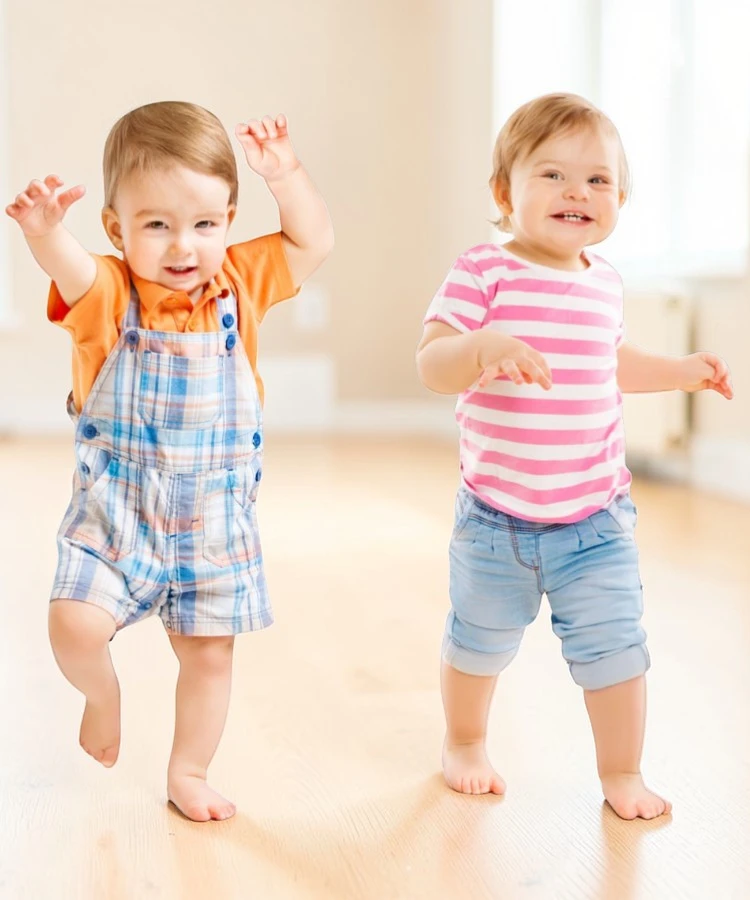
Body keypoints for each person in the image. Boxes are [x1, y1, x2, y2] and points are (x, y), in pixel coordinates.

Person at [6, 101, 333, 822]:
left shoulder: (240, 284)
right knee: (73, 625)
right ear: (118, 228)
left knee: (209, 657)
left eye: (206, 224)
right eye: (157, 225)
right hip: (117, 514)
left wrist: (287, 176)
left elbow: (313, 240)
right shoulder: (110, 292)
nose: (184, 246)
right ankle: (102, 694)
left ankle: (189, 769)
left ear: (229, 218)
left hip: (213, 522)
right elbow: (71, 268)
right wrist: (45, 232)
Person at [416, 93, 732, 820]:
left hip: (595, 519)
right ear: (505, 193)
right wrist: (479, 349)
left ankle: (621, 772)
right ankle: (464, 741)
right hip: (496, 517)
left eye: (598, 179)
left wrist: (681, 370)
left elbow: (610, 363)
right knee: (478, 640)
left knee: (617, 646)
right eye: (553, 175)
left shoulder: (605, 281)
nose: (577, 192)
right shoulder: (482, 273)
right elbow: (433, 364)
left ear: (621, 196)